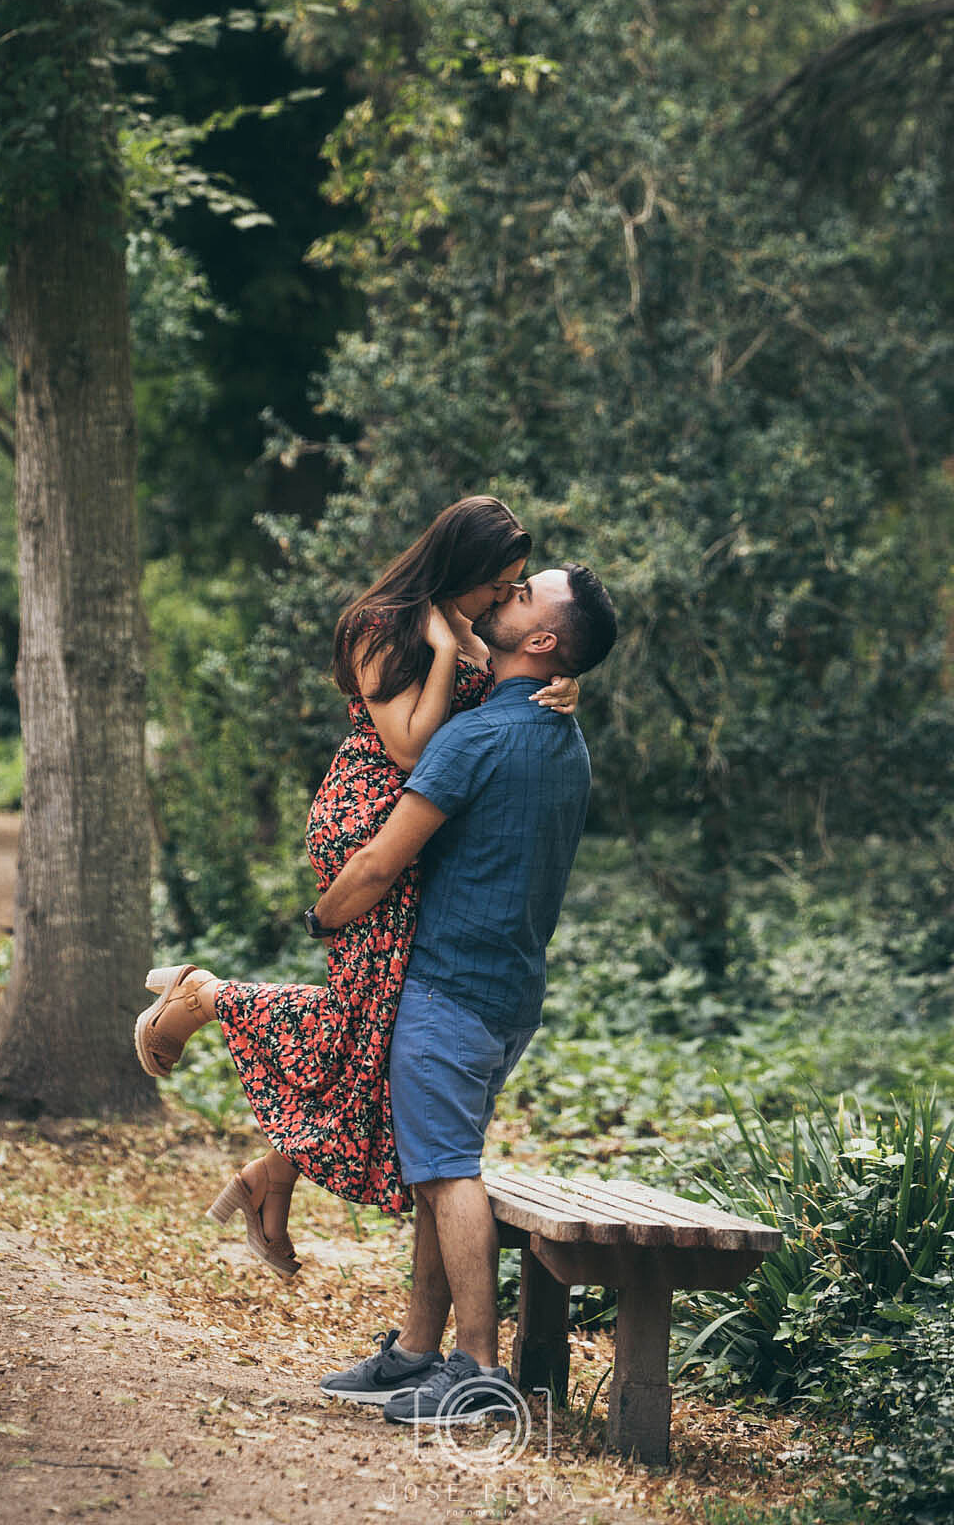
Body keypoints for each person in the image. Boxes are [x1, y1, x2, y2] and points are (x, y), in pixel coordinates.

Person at [131, 497, 579, 1275]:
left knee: (375, 1025)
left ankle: (273, 1176)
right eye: (499, 586)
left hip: (418, 831)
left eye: (515, 590)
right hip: (368, 820)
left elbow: (518, 691)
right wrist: (443, 654)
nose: (504, 600)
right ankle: (204, 997)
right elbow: (408, 749)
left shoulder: (474, 628)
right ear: (462, 572)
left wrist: (566, 686)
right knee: (360, 1016)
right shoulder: (384, 625)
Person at [312, 563, 617, 1422]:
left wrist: (323, 918)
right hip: (509, 992)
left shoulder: (475, 738)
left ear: (545, 642)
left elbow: (380, 860)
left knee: (448, 1176)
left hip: (449, 986)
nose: (500, 599)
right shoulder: (564, 735)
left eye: (522, 597)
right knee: (435, 1168)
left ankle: (479, 1370)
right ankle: (418, 1351)